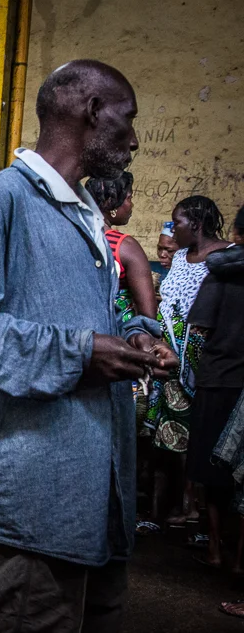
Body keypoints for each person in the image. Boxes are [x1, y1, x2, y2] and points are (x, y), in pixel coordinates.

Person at [0, 60, 176, 633]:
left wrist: (135, 336)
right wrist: (83, 353)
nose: (134, 138)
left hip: (89, 486)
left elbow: (79, 314)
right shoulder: (0, 200)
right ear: (90, 112)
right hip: (29, 496)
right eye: (127, 118)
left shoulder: (81, 211)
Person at [147, 196, 230, 529]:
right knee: (171, 440)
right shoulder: (180, 257)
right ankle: (178, 506)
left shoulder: (226, 258)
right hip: (170, 361)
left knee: (206, 438)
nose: (173, 229)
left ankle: (203, 514)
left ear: (195, 224)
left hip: (206, 362)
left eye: (176, 222)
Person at [188, 204, 244, 570]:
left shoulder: (220, 273)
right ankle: (240, 559)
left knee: (211, 470)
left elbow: (197, 335)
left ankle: (214, 550)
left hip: (217, 380)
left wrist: (194, 374)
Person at [86, 172, 158, 321]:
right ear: (111, 202)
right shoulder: (125, 247)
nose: (131, 205)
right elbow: (148, 314)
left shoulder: (72, 236)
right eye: (129, 198)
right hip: (117, 336)